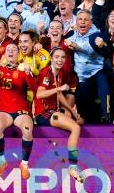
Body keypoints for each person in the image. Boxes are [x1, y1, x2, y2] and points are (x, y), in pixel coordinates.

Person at [35, 47, 83, 182]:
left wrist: (73, 111)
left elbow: (59, 95)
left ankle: (60, 152)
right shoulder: (46, 73)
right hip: (44, 113)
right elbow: (39, 94)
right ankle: (73, 165)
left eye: (62, 57)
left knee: (77, 120)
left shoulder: (59, 73)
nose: (60, 60)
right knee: (75, 128)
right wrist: (58, 88)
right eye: (57, 57)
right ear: (51, 58)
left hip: (54, 111)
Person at [0, 43, 36, 180]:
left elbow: (34, 88)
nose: (11, 52)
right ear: (5, 54)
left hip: (21, 111)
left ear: (18, 54)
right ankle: (2, 161)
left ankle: (24, 164)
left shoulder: (23, 69)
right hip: (4, 111)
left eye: (14, 50)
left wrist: (28, 73)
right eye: (8, 50)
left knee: (27, 131)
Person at [65, 9, 108, 123]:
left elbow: (91, 50)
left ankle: (106, 115)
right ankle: (86, 121)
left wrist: (77, 47)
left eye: (86, 19)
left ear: (91, 22)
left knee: (103, 85)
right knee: (84, 100)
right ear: (76, 22)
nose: (82, 22)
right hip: (81, 73)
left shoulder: (97, 35)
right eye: (80, 19)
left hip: (97, 69)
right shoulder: (72, 35)